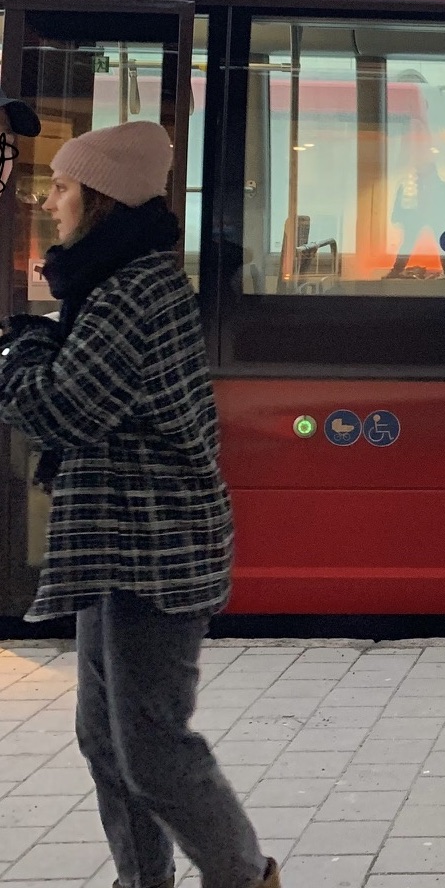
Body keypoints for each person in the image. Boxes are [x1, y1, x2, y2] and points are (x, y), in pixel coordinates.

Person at [0, 121, 276, 888]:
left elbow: (64, 410)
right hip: (118, 544)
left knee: (152, 746)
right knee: (105, 738)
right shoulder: (109, 280)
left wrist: (20, 350)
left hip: (154, 550)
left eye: (61, 187)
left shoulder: (133, 292)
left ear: (100, 199)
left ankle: (245, 877)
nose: (49, 201)